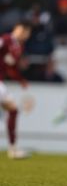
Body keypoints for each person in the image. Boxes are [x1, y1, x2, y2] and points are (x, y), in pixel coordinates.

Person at [0, 21, 32, 159]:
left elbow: (11, 68)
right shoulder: (6, 40)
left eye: (26, 32)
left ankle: (13, 149)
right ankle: (13, 150)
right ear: (16, 29)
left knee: (13, 110)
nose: (24, 34)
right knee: (13, 109)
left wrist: (20, 80)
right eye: (22, 30)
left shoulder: (19, 47)